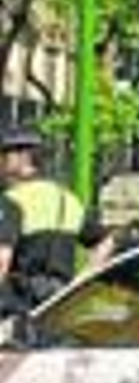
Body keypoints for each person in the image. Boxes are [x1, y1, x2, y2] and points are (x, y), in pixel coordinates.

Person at [0, 127, 112, 312]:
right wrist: (81, 281)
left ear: (21, 159)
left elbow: (2, 259)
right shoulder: (68, 199)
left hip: (16, 307)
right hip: (58, 307)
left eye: (3, 154)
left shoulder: (10, 201)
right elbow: (107, 241)